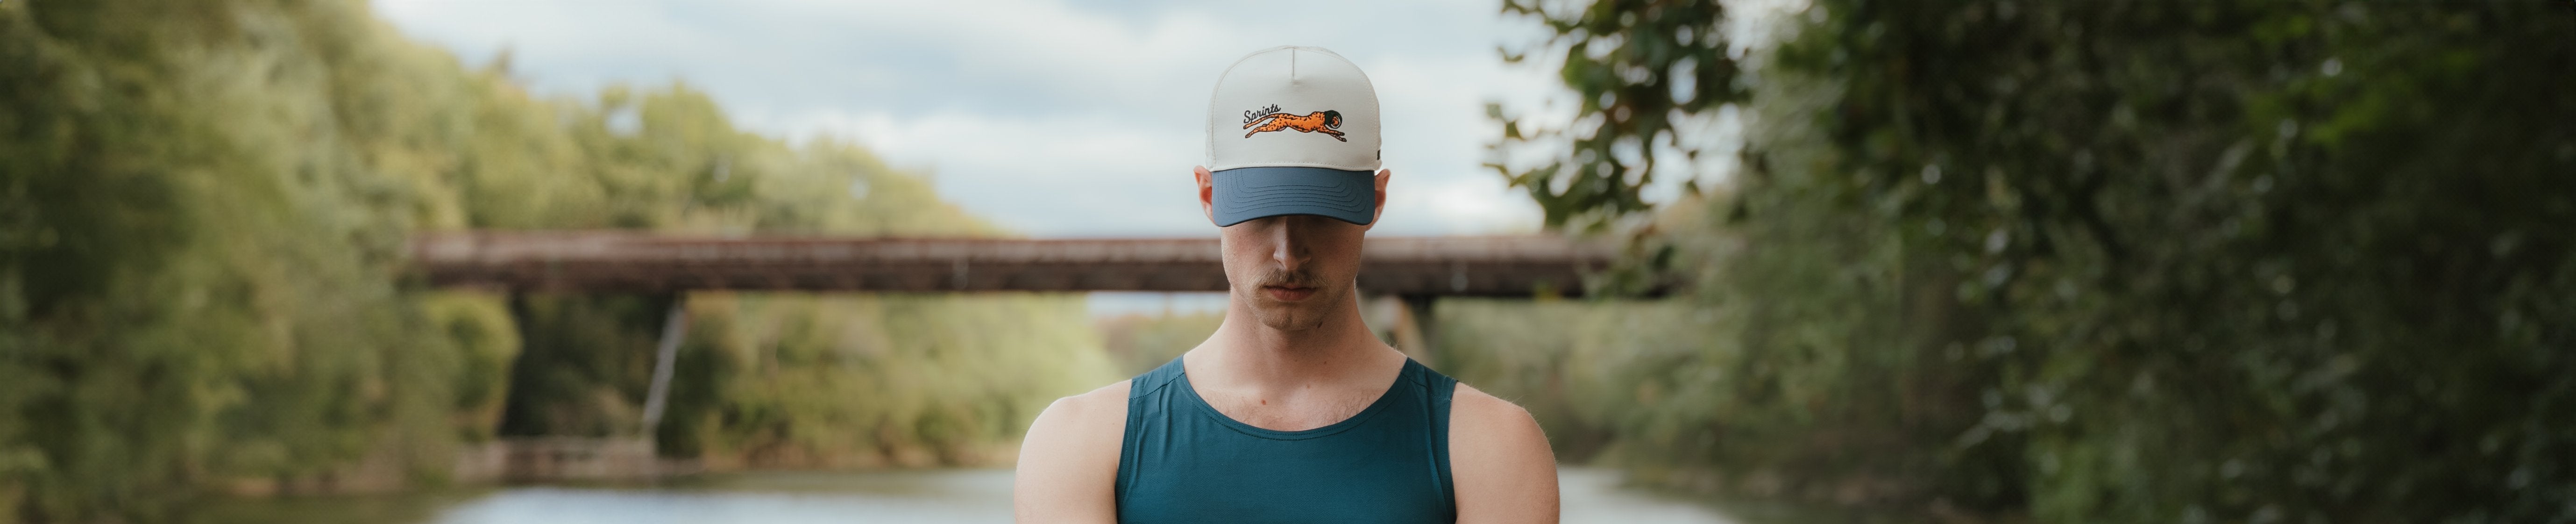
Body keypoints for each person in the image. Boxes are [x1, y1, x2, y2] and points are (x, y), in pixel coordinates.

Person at [1012, 45, 1560, 524]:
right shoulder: (1080, 443)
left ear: (1376, 199)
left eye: (1321, 214)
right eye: (1260, 213)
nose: (1288, 251)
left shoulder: (1491, 446)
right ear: (1208, 196)